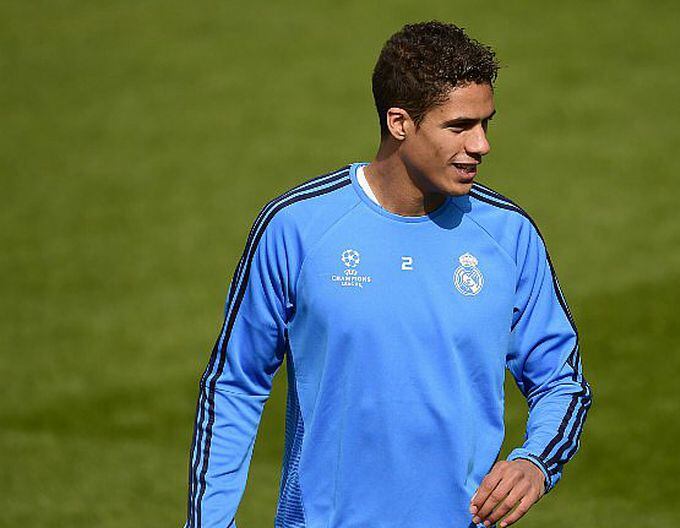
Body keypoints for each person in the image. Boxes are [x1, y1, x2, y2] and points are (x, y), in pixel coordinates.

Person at [184, 21, 592, 528]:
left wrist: (536, 462)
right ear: (400, 122)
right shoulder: (297, 229)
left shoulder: (508, 236)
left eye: (486, 123)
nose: (482, 144)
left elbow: (561, 380)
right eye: (460, 126)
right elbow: (233, 385)